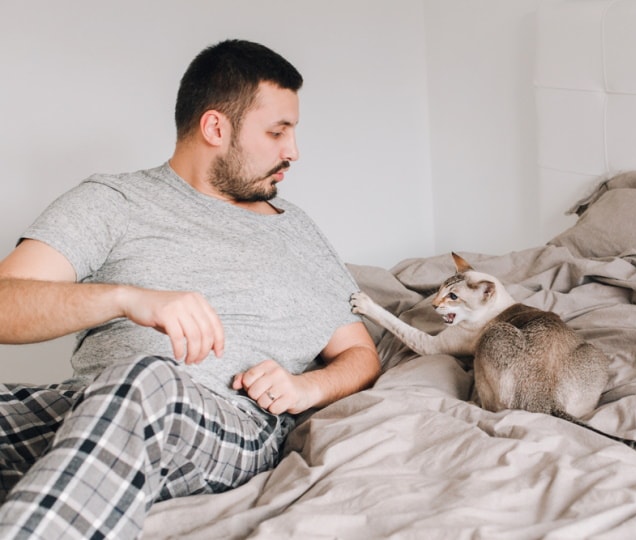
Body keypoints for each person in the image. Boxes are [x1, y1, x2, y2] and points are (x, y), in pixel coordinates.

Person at [0, 39, 380, 538]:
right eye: (277, 132)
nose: (293, 151)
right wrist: (124, 298)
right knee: (126, 389)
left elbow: (360, 353)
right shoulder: (112, 201)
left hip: (228, 421)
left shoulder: (296, 230)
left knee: (146, 380)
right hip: (88, 402)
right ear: (215, 128)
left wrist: (306, 387)